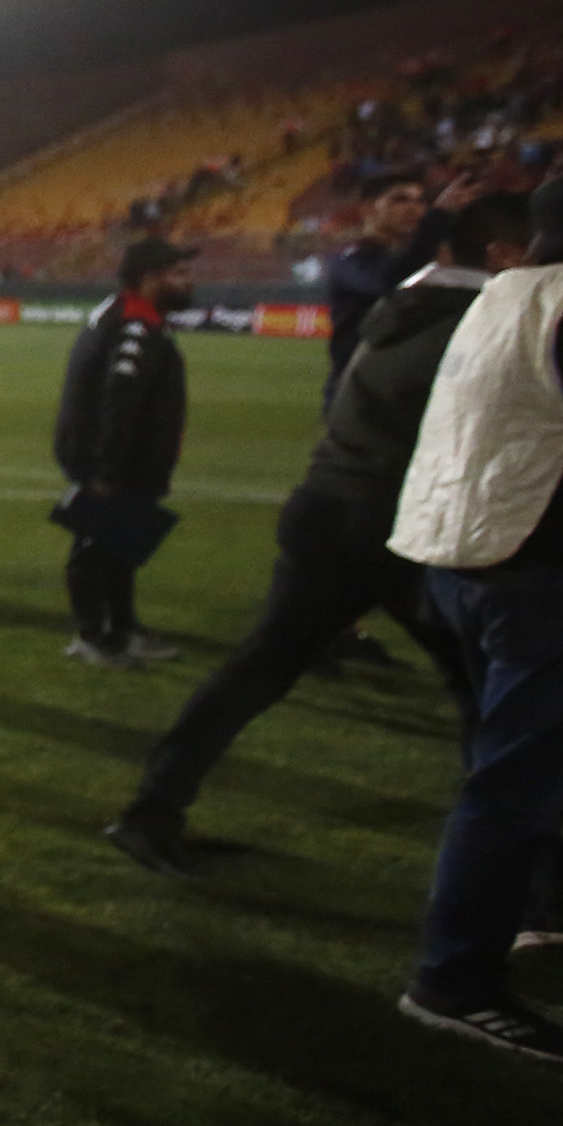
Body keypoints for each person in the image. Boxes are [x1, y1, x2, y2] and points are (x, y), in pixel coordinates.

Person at [100, 196, 530, 872]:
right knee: (483, 685)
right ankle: (516, 865)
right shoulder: (487, 320)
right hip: (392, 522)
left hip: (327, 507)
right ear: (504, 254)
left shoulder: (410, 303)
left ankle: (151, 809)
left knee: (261, 666)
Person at [385, 159, 563, 1064]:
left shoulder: (508, 291)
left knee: (510, 770)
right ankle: (455, 979)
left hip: (468, 560)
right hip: (548, 574)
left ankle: (543, 903)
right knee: (516, 786)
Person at [51, 239, 195, 668]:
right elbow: (120, 400)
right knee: (96, 549)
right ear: (149, 279)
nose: (189, 282)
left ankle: (123, 628)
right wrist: (107, 470)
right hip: (116, 464)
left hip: (125, 463)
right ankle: (93, 636)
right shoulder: (134, 325)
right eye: (179, 274)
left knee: (120, 549)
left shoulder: (135, 317)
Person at [325, 170, 476, 398]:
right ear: (368, 208)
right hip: (361, 394)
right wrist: (438, 218)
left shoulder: (424, 257)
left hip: (410, 389)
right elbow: (388, 282)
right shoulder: (349, 260)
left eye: (419, 201)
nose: (414, 208)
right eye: (399, 199)